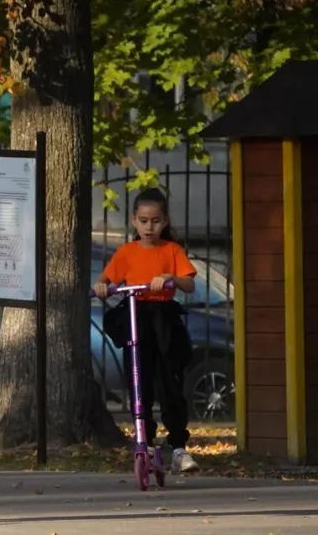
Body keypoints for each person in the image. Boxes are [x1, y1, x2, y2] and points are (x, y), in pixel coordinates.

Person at [93, 187, 200, 474]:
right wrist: (102, 285)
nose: (148, 227)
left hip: (163, 319)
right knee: (140, 380)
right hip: (135, 316)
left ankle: (178, 447)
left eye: (155, 221)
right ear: (134, 220)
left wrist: (171, 279)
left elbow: (190, 284)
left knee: (169, 384)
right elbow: (106, 278)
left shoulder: (171, 250)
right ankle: (146, 441)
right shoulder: (126, 252)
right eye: (143, 220)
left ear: (164, 221)